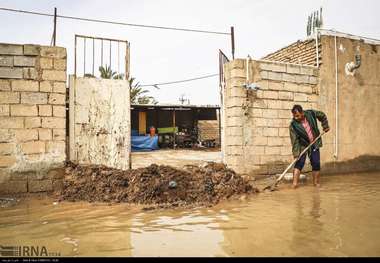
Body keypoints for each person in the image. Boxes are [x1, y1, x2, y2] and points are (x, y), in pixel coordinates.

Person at [289, 105, 330, 189]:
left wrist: (325, 126)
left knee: (316, 162)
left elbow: (322, 115)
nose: (296, 118)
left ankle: (316, 183)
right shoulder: (293, 125)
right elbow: (295, 141)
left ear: (302, 113)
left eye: (297, 116)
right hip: (302, 145)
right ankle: (294, 184)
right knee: (299, 162)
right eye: (294, 116)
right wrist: (296, 154)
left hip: (314, 142)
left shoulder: (311, 113)